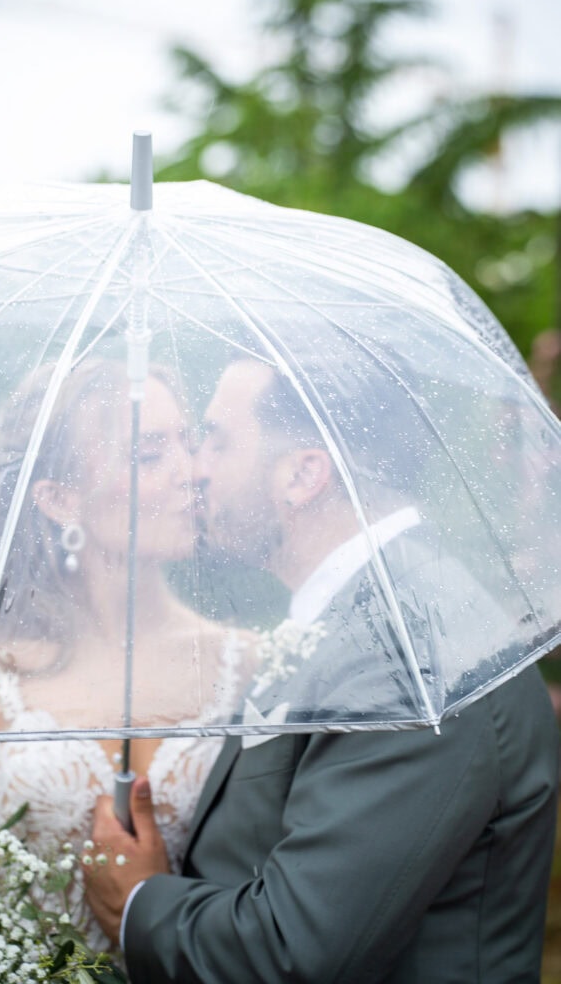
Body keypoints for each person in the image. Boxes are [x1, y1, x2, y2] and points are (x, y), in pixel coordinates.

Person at [86, 357, 560, 983]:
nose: (195, 469)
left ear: (303, 474)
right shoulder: (366, 616)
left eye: (217, 442)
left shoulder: (405, 658)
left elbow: (296, 951)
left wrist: (139, 901)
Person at [0, 357, 251, 952]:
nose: (191, 471)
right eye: (149, 455)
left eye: (189, 444)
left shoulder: (250, 667)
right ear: (59, 498)